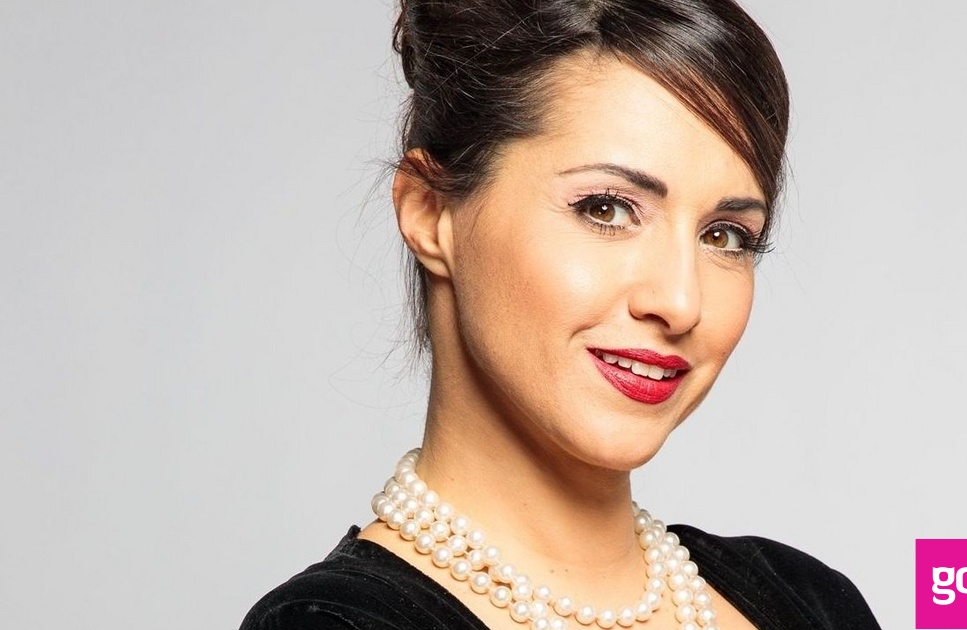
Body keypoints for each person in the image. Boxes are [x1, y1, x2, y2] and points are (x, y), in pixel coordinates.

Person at [241, 0, 880, 628]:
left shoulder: (811, 602)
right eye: (606, 208)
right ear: (431, 213)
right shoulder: (338, 623)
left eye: (724, 236)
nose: (680, 302)